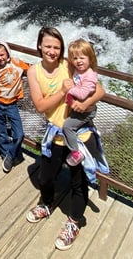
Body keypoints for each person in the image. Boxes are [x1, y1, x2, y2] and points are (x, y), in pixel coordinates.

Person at [25, 27, 105, 251]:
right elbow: (40, 106)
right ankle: (47, 202)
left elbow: (99, 90)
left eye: (56, 47)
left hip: (79, 135)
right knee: (45, 177)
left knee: (79, 183)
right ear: (40, 45)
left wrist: (86, 104)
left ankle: (74, 221)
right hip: (54, 134)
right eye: (48, 46)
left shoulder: (68, 65)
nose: (52, 51)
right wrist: (62, 92)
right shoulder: (33, 72)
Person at [0, 39, 29, 173]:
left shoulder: (16, 63)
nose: (0, 58)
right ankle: (6, 155)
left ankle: (10, 154)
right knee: (1, 132)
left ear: (7, 53)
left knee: (19, 134)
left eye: (2, 55)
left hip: (12, 105)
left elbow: (31, 69)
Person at [63, 38, 99, 166]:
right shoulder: (80, 71)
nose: (78, 61)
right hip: (80, 109)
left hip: (85, 112)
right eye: (75, 58)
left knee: (67, 127)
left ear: (90, 58)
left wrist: (69, 89)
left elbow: (83, 94)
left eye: (82, 58)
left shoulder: (90, 76)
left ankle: (76, 153)